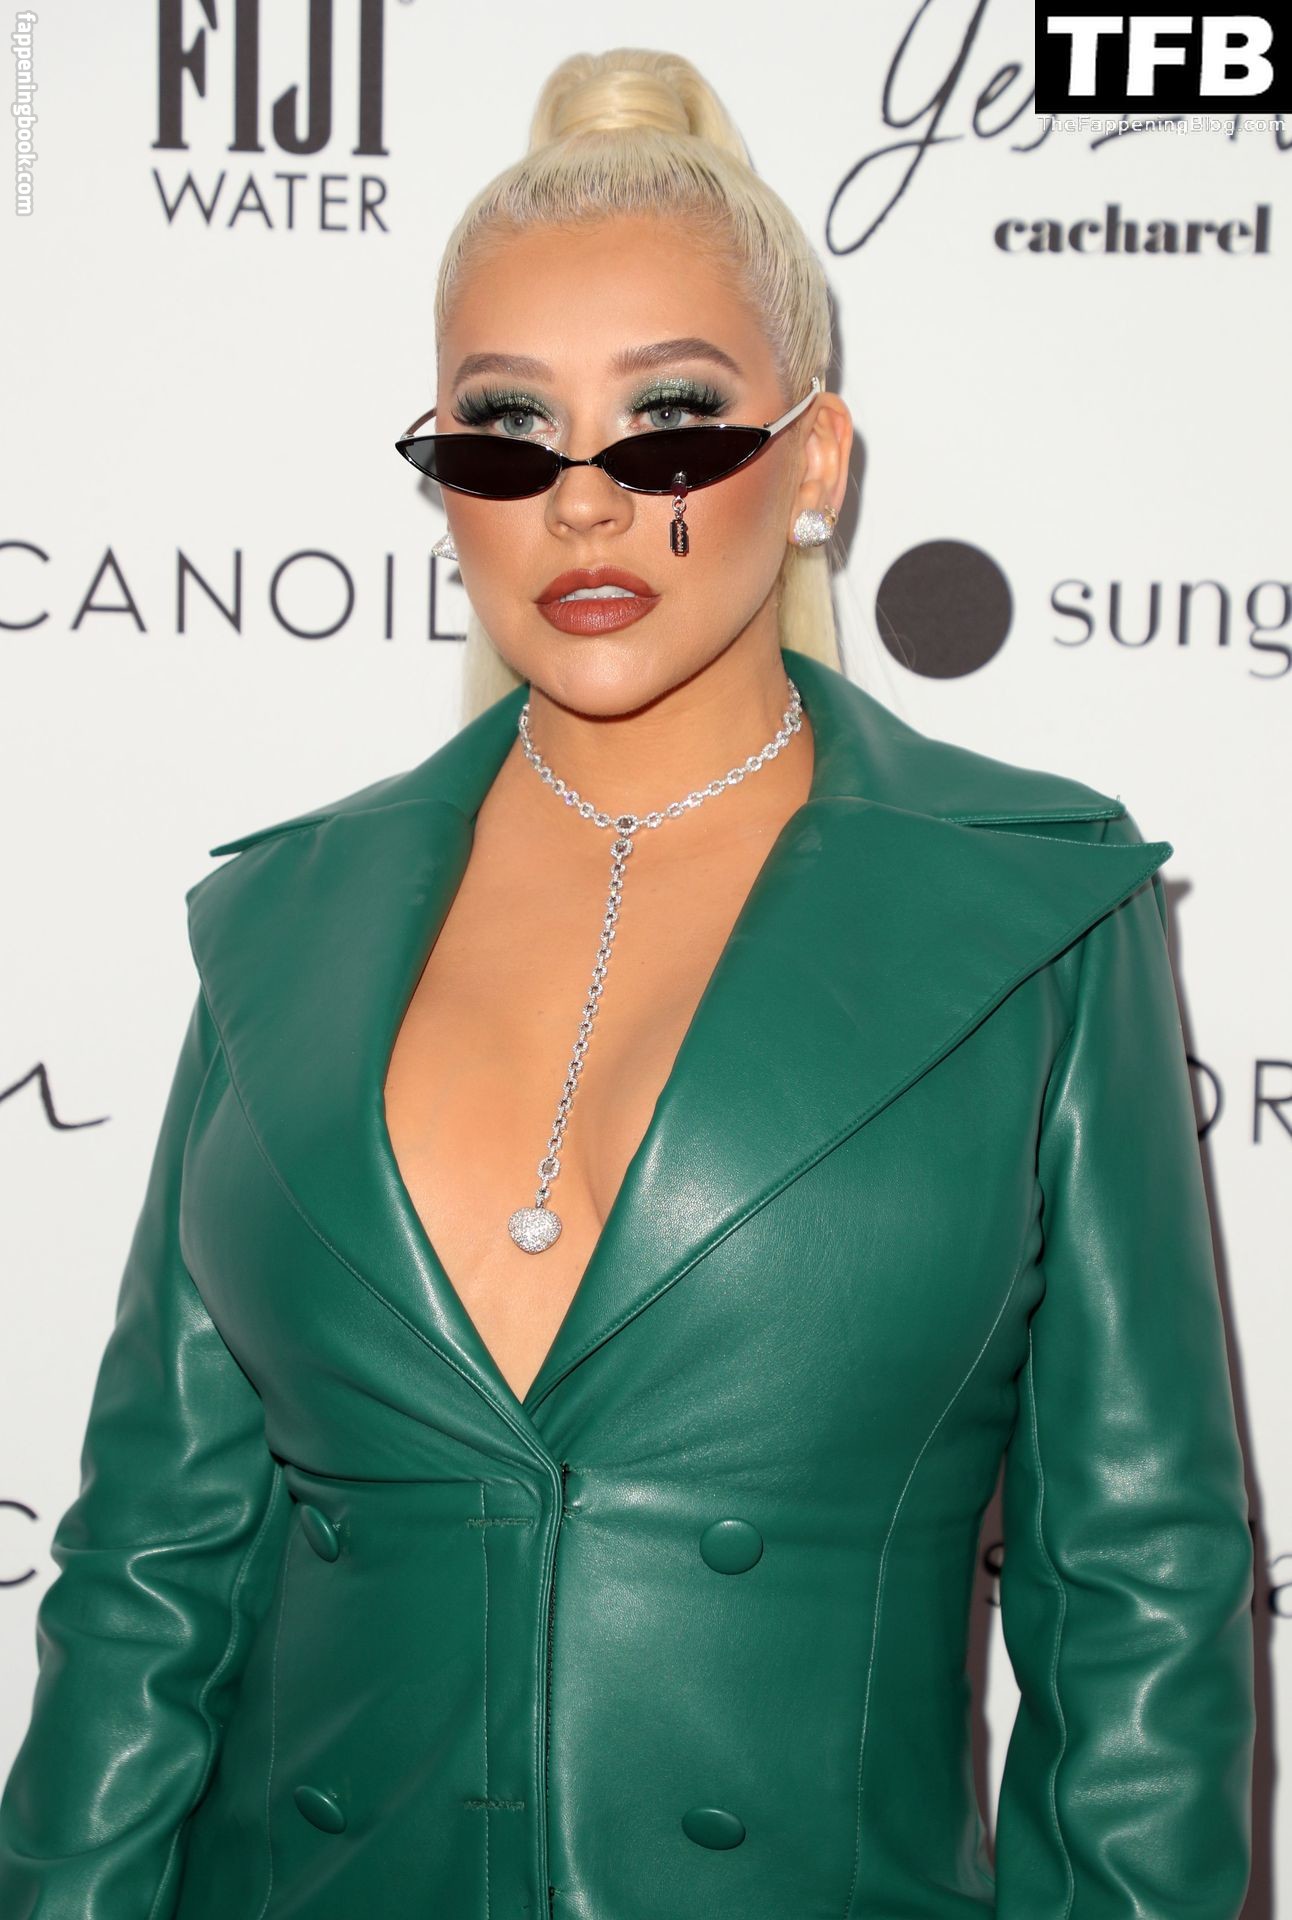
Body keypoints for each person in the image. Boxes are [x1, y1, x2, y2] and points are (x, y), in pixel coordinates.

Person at [0, 45, 1255, 1920]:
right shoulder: (282, 925)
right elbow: (147, 1577)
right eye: (508, 431)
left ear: (813, 462)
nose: (583, 503)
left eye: (670, 425)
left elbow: (1142, 1601)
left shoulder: (1037, 914)